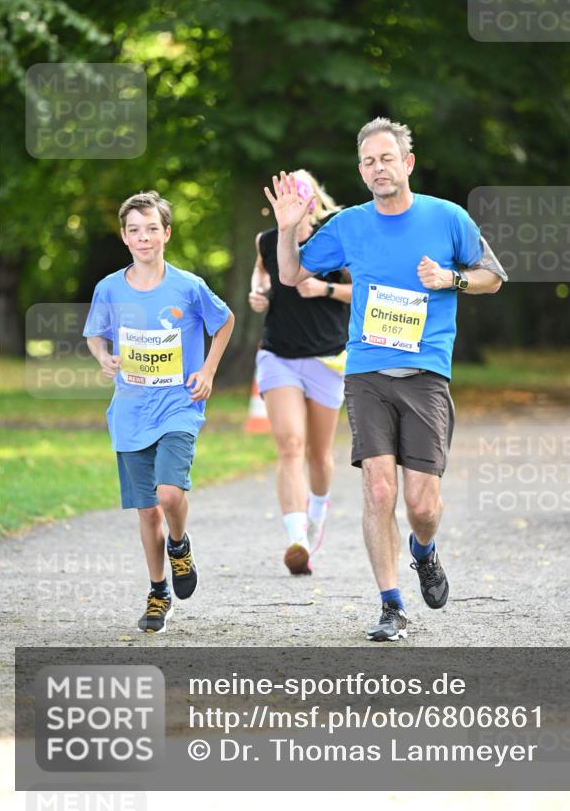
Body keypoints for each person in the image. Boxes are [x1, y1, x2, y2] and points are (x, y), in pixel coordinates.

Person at [264, 118, 507, 641]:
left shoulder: (448, 217)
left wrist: (451, 278)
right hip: (367, 371)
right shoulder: (349, 225)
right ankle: (391, 605)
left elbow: (492, 276)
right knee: (378, 488)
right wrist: (286, 229)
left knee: (422, 505)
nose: (379, 168)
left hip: (426, 374)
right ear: (361, 171)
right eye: (369, 162)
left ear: (408, 163)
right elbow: (290, 274)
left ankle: (424, 549)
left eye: (387, 159)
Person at [84, 191, 234, 633]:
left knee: (169, 495)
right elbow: (95, 334)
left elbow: (224, 321)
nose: (143, 237)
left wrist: (208, 370)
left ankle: (179, 545)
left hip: (178, 406)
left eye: (151, 228)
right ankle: (157, 592)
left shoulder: (188, 286)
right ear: (124, 237)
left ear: (166, 233)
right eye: (134, 230)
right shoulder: (109, 288)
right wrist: (103, 357)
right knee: (148, 510)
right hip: (130, 412)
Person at [249, 170, 351, 575]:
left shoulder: (333, 239)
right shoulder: (267, 240)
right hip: (279, 355)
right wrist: (258, 292)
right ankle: (297, 539)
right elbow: (262, 271)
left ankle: (316, 515)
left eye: (300, 199)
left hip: (327, 358)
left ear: (311, 203)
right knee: (290, 445)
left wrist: (325, 289)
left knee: (319, 455)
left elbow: (364, 290)